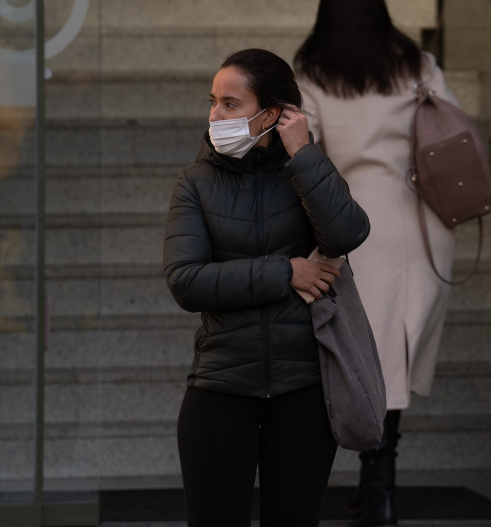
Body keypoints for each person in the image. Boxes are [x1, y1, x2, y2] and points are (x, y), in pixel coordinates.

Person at [162, 48, 370, 526]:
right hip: (220, 390)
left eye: (231, 103)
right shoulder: (195, 183)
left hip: (304, 392)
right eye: (213, 101)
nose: (215, 114)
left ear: (272, 113)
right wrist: (286, 272)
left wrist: (304, 153)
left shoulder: (305, 171)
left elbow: (347, 235)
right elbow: (186, 281)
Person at [293, 1, 459, 526]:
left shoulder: (313, 72)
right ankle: (379, 489)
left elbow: (302, 149)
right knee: (391, 357)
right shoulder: (417, 65)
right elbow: (453, 130)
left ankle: (370, 489)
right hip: (423, 220)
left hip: (350, 221)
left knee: (364, 356)